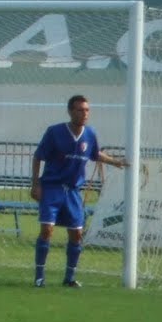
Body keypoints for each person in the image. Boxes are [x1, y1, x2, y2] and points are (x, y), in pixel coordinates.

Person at [31, 94, 129, 288]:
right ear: (70, 111)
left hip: (73, 192)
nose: (84, 113)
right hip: (52, 188)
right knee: (47, 230)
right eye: (80, 110)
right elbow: (38, 156)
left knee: (76, 234)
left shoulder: (90, 134)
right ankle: (39, 277)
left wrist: (116, 162)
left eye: (87, 110)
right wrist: (36, 184)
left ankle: (69, 278)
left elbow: (94, 154)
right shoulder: (55, 132)